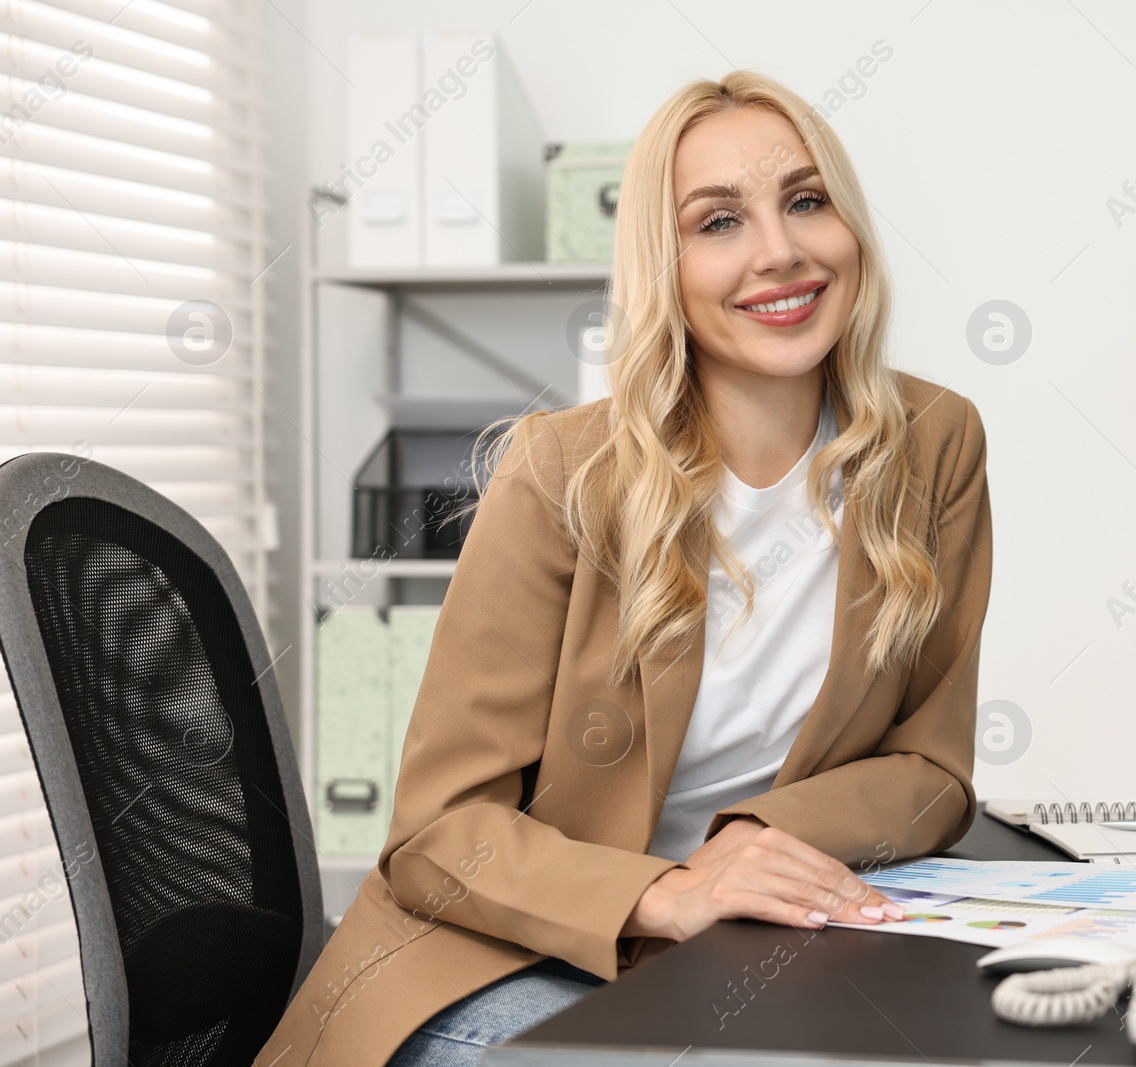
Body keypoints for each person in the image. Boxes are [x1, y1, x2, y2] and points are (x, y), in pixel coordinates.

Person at [252, 69, 992, 1067]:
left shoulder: (933, 443)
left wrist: (750, 839)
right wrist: (666, 890)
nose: (779, 251)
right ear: (664, 264)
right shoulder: (564, 471)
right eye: (717, 221)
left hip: (735, 947)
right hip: (497, 955)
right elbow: (438, 831)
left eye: (806, 202)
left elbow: (933, 769)